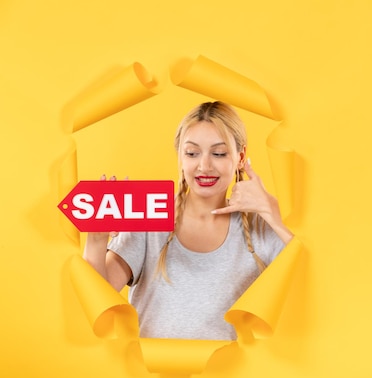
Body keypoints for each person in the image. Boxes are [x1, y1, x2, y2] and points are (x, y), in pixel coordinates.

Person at [83, 101, 293, 340]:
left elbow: (311, 287)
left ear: (240, 156)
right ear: (181, 157)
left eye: (219, 153)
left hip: (236, 375)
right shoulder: (150, 217)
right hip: (154, 374)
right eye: (192, 153)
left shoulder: (260, 229)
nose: (204, 166)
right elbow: (98, 300)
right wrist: (96, 239)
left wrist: (273, 216)